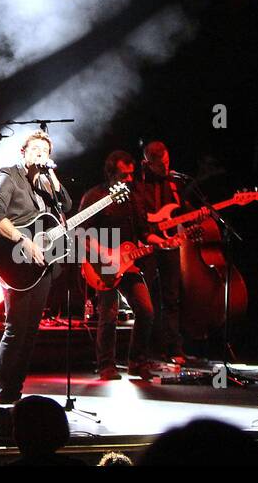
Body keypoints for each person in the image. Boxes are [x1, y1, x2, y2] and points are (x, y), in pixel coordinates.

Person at [0, 130, 72, 405]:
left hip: (40, 264)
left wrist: (53, 177)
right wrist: (23, 240)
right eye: (34, 149)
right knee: (16, 329)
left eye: (44, 151)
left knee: (31, 332)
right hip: (13, 256)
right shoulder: (9, 175)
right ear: (23, 152)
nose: (40, 154)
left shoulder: (46, 183)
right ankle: (4, 395)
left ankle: (16, 391)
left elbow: (66, 205)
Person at [81, 150, 162, 380]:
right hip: (102, 263)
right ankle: (106, 365)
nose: (128, 179)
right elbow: (81, 234)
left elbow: (145, 232)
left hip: (129, 262)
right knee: (109, 314)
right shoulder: (95, 196)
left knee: (146, 310)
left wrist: (163, 242)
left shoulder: (135, 197)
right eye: (123, 175)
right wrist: (105, 253)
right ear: (111, 174)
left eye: (130, 175)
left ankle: (137, 362)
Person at [135, 141, 194, 364]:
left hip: (169, 244)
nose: (166, 167)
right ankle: (146, 351)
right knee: (146, 299)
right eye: (162, 164)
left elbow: (178, 212)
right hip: (146, 245)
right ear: (148, 163)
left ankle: (174, 348)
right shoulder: (138, 184)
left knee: (171, 297)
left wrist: (193, 216)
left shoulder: (174, 183)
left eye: (168, 162)